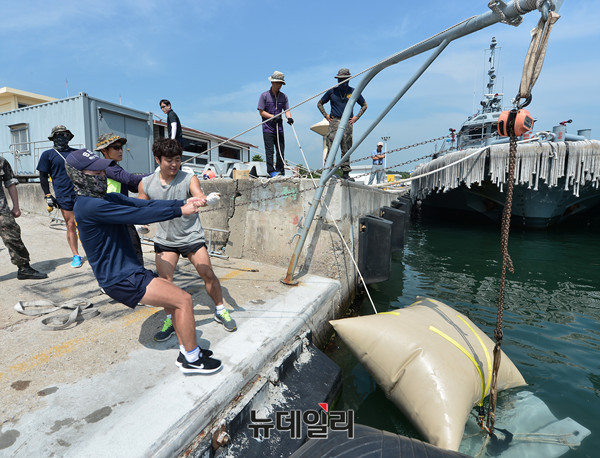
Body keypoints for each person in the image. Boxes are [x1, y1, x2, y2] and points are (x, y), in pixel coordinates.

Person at [64, 148, 221, 374]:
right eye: (96, 172)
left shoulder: (107, 198)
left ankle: (187, 349)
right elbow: (139, 216)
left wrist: (186, 201)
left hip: (129, 272)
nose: (102, 175)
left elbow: (144, 205)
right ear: (79, 175)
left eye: (102, 171)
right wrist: (180, 211)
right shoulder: (89, 206)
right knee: (184, 300)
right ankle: (192, 359)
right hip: (120, 279)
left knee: (174, 300)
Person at [138, 138, 237, 342]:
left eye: (177, 159)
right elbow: (140, 208)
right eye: (169, 160)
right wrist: (141, 224)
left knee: (207, 273)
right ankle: (170, 320)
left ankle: (220, 309)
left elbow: (199, 196)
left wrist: (207, 199)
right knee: (166, 282)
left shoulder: (188, 178)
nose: (174, 164)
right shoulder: (146, 183)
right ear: (157, 159)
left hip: (191, 235)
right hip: (166, 239)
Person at [96, 133, 148, 265]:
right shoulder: (107, 166)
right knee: (129, 251)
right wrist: (159, 173)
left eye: (121, 147)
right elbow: (130, 179)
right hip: (113, 216)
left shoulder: (114, 167)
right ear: (104, 151)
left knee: (127, 251)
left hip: (119, 214)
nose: (120, 151)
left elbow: (132, 186)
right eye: (116, 147)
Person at [37, 125, 83, 268]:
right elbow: (43, 176)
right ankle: (76, 255)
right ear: (53, 137)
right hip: (64, 194)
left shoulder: (77, 153)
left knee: (86, 223)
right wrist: (48, 194)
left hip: (82, 193)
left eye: (65, 134)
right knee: (70, 224)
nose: (63, 137)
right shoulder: (48, 155)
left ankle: (94, 252)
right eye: (59, 134)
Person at [0, 157, 48, 280]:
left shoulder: (1, 161)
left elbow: (10, 183)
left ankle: (24, 269)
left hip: (1, 210)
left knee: (13, 237)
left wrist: (16, 206)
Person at [317, 68, 368, 181]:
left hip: (347, 123)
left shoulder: (354, 92)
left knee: (346, 147)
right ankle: (328, 170)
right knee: (331, 147)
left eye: (344, 79)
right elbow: (319, 103)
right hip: (334, 122)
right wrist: (326, 115)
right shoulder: (331, 91)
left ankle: (345, 173)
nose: (342, 81)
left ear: (348, 80)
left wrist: (356, 118)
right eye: (340, 79)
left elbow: (364, 105)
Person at [257, 71, 293, 178]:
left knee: (280, 150)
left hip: (279, 128)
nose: (279, 85)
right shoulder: (264, 96)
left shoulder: (284, 97)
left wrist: (289, 117)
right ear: (272, 83)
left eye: (281, 83)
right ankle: (271, 171)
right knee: (270, 151)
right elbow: (261, 112)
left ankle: (280, 170)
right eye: (277, 83)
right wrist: (273, 117)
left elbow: (287, 110)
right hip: (268, 128)